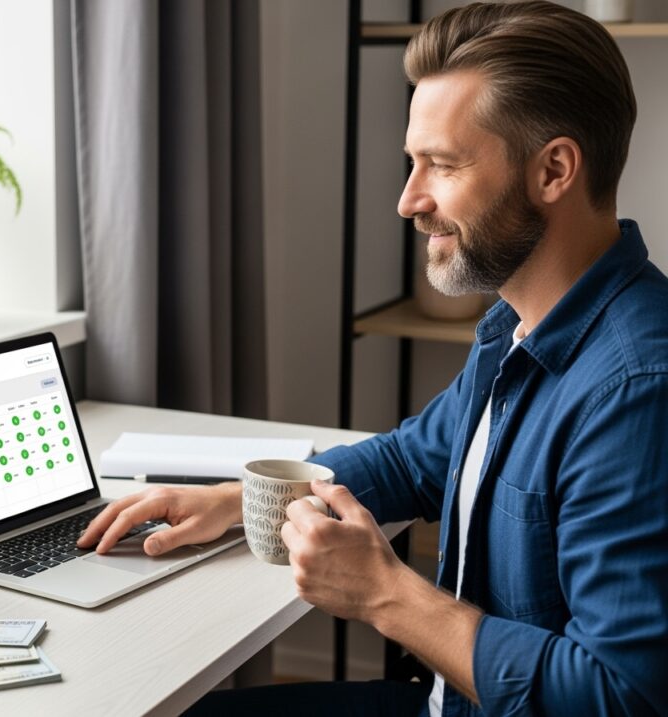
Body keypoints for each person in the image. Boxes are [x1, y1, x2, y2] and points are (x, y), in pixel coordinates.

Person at [77, 1, 668, 715]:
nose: (407, 200)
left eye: (441, 165)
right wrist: (231, 502)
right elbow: (414, 460)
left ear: (554, 170)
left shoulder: (635, 392)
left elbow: (619, 696)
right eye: (411, 163)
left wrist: (387, 595)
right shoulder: (520, 323)